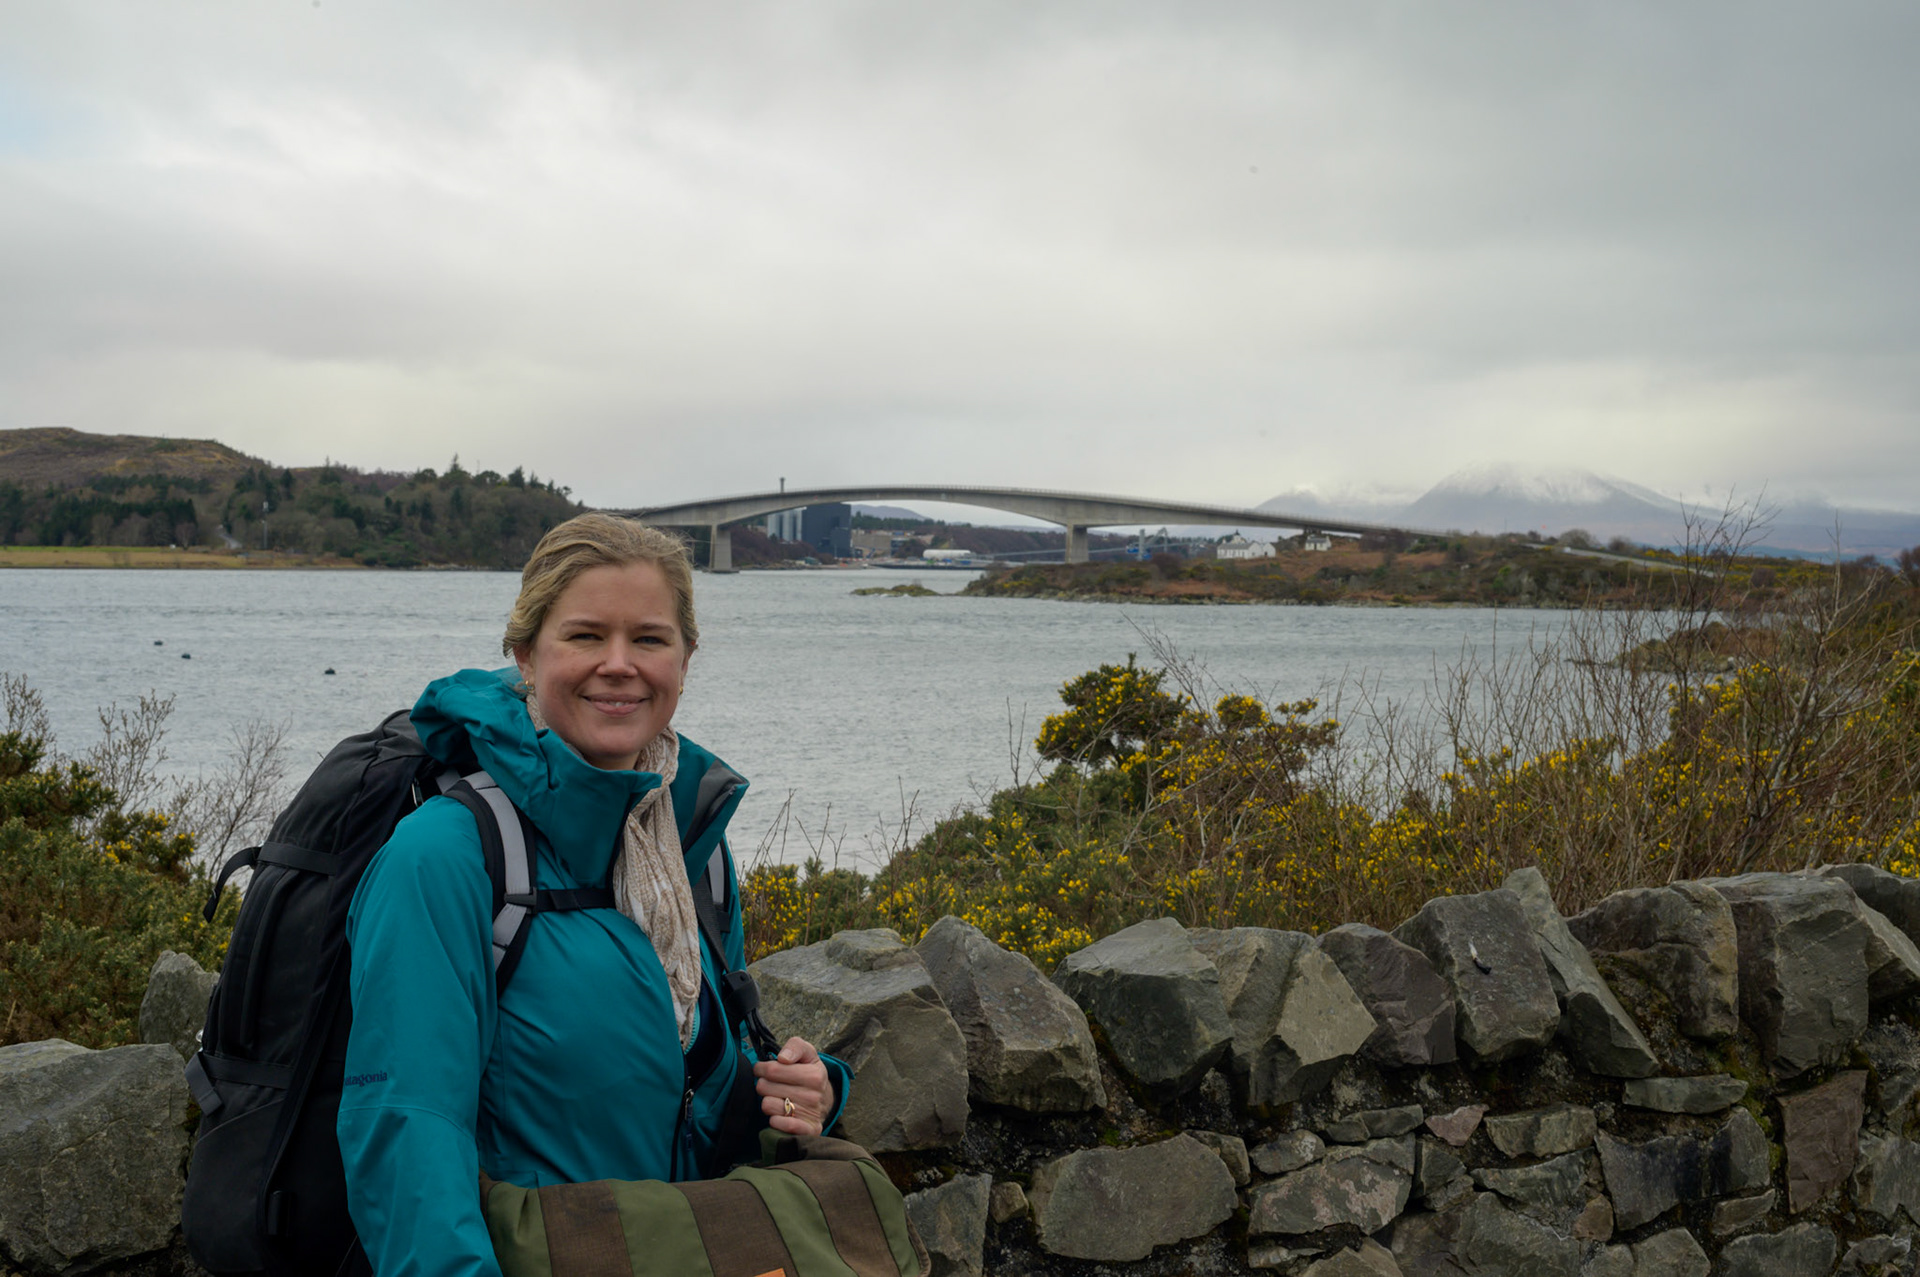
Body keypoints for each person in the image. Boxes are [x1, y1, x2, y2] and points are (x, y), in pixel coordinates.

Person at [338, 514, 848, 1277]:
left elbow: (691, 1085)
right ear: (525, 653)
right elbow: (407, 1139)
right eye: (584, 636)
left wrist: (809, 1090)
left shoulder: (687, 848)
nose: (619, 664)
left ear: (685, 657)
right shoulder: (448, 856)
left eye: (648, 638)